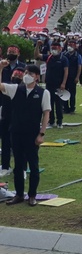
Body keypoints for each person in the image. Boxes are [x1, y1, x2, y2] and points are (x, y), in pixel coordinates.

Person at [0, 63, 50, 206]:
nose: (27, 76)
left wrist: (42, 133)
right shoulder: (16, 89)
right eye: (26, 73)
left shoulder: (42, 93)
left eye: (31, 74)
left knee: (33, 165)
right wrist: (1, 68)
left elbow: (46, 113)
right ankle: (19, 194)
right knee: (18, 165)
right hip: (16, 132)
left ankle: (32, 195)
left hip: (32, 134)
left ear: (37, 77)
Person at [0, 47, 26, 178]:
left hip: (19, 109)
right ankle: (5, 166)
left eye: (13, 54)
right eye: (9, 53)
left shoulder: (23, 66)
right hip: (5, 105)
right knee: (5, 138)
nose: (11, 56)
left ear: (18, 54)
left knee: (19, 140)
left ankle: (21, 168)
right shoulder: (3, 66)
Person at [40, 40, 68, 128]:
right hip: (49, 84)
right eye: (52, 48)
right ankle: (51, 121)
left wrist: (63, 83)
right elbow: (37, 55)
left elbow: (66, 72)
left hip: (59, 84)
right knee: (49, 103)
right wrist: (37, 46)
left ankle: (59, 121)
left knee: (58, 103)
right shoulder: (49, 57)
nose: (53, 50)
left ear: (60, 49)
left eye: (55, 48)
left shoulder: (63, 59)